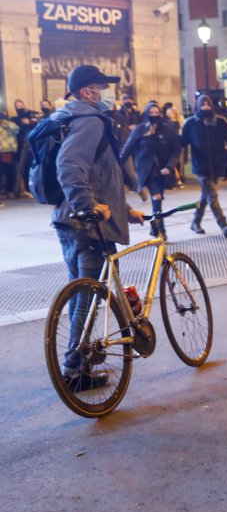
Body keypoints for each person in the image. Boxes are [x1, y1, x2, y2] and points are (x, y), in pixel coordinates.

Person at [49, 65, 144, 390]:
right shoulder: (89, 120)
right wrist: (88, 207)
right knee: (85, 297)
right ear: (87, 92)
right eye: (103, 88)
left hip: (69, 220)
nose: (108, 94)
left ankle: (80, 365)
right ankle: (74, 369)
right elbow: (69, 165)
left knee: (80, 294)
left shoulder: (71, 117)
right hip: (87, 225)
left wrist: (124, 208)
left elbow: (99, 175)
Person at [181, 94, 227, 237]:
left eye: (208, 105)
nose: (205, 108)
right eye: (202, 105)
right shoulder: (191, 123)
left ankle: (195, 222)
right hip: (201, 166)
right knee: (212, 196)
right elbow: (182, 141)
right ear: (198, 106)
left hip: (217, 165)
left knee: (206, 196)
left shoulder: (220, 122)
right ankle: (224, 225)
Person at [119, 102, 181, 240]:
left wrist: (170, 166)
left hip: (162, 171)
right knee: (156, 197)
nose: (154, 116)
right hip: (146, 170)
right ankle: (160, 230)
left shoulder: (167, 130)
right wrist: (117, 166)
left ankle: (156, 229)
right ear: (147, 114)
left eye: (156, 113)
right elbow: (127, 149)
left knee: (157, 201)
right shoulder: (140, 130)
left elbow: (176, 149)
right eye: (151, 113)